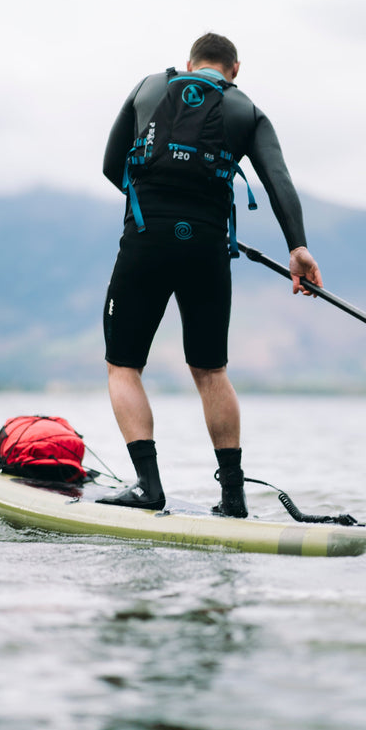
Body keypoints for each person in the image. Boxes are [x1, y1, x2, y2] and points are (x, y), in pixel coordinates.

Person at [99, 32, 322, 517]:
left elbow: (111, 166)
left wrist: (154, 205)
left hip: (146, 239)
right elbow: (278, 181)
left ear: (189, 63)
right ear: (234, 69)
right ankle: (233, 498)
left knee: (124, 365)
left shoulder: (148, 88)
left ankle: (148, 486)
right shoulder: (247, 111)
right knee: (210, 370)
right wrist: (298, 247)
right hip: (206, 246)